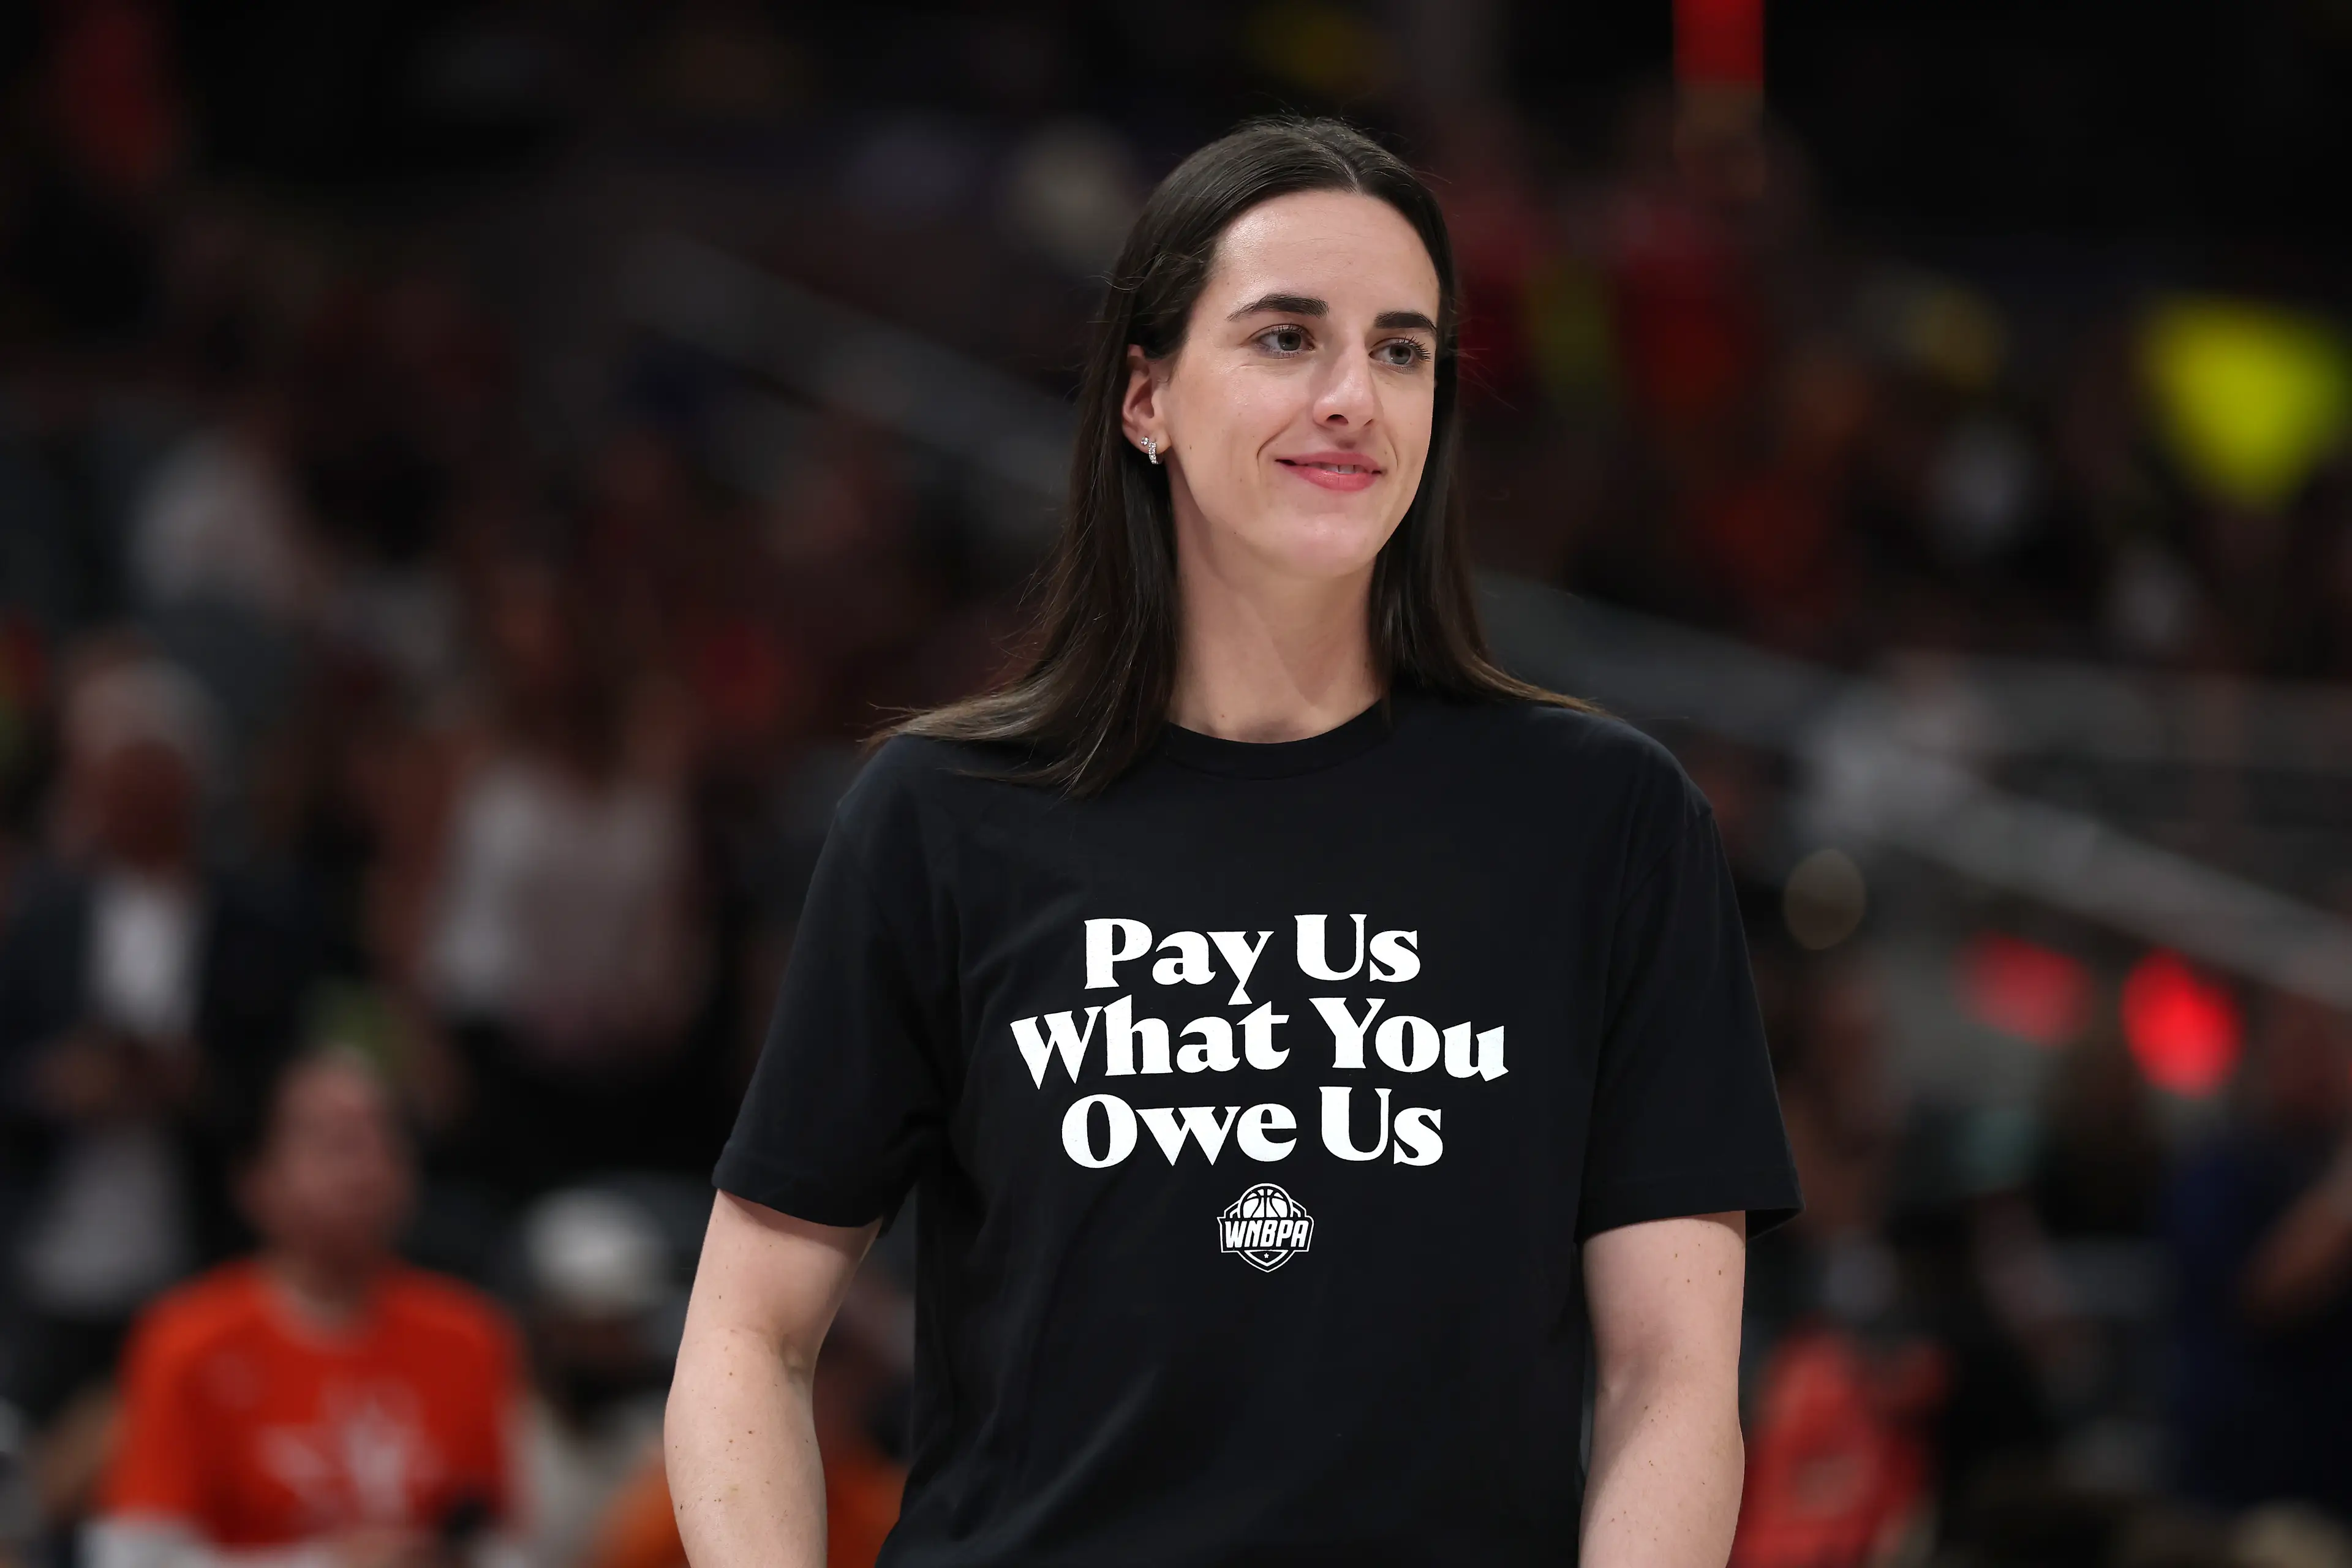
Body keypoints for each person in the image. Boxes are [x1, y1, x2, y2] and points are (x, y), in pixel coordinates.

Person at [666, 115, 1801, 1567]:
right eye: (1284, 339)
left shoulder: (1607, 821)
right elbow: (746, 1332)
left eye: (1401, 350)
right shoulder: (944, 810)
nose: (1352, 396)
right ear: (1144, 396)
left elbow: (1670, 1381)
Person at [86, 1047, 525, 1568]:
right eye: (335, 1144)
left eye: (384, 1139)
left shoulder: (470, 1334)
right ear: (255, 1183)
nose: (367, 1168)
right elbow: (132, 1555)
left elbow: (502, 1543)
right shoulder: (186, 1336)